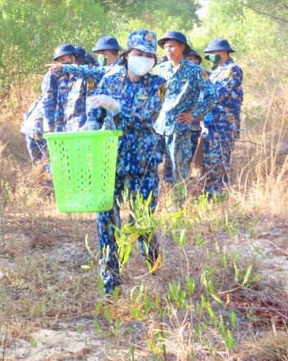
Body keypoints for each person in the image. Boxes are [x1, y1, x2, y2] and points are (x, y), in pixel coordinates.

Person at [82, 29, 167, 295]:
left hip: (143, 164)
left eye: (149, 56)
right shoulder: (109, 79)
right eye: (139, 54)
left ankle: (153, 263)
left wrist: (117, 108)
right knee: (106, 221)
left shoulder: (158, 84)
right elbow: (95, 111)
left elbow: (147, 118)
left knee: (142, 221)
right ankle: (111, 282)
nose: (143, 59)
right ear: (128, 54)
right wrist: (90, 123)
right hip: (111, 161)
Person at [154, 30, 216, 194]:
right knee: (155, 164)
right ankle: (160, 200)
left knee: (178, 168)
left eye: (172, 46)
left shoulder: (195, 71)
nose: (168, 50)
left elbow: (211, 94)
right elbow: (160, 94)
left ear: (182, 47)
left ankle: (179, 203)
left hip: (180, 127)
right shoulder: (161, 70)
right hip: (160, 126)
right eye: (166, 47)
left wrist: (194, 114)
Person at [201, 38, 243, 199]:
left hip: (224, 125)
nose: (210, 56)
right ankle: (209, 195)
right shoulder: (216, 71)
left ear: (223, 53)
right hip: (210, 124)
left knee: (219, 162)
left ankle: (218, 196)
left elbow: (218, 93)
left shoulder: (232, 70)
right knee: (209, 160)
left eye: (212, 53)